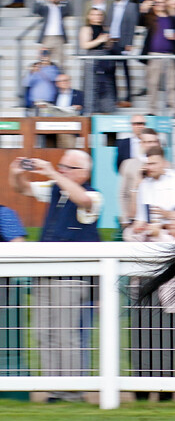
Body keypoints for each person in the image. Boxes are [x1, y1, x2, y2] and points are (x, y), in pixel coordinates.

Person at [9, 150, 102, 403]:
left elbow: (83, 200)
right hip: (46, 272)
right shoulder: (55, 188)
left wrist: (52, 172)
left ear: (83, 172)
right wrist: (16, 173)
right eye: (61, 166)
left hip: (72, 276)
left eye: (67, 167)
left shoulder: (94, 195)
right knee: (44, 333)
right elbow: (23, 189)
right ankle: (53, 388)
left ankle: (71, 392)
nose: (62, 170)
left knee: (66, 335)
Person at [129, 205, 175, 402]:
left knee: (163, 348)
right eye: (171, 219)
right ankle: (140, 393)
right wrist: (138, 229)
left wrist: (158, 235)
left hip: (170, 304)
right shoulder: (159, 237)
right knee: (140, 346)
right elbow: (130, 242)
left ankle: (164, 394)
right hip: (143, 297)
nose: (172, 224)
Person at [124, 146, 175, 241]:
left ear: (165, 163)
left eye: (153, 164)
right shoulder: (144, 185)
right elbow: (140, 218)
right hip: (150, 232)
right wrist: (139, 226)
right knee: (128, 233)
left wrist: (169, 215)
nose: (149, 167)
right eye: (148, 164)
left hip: (174, 233)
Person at [140, 0, 175, 118]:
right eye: (157, 2)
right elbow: (139, 22)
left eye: (162, 2)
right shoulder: (150, 17)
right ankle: (152, 110)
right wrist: (143, 9)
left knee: (172, 85)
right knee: (152, 84)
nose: (160, 5)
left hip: (170, 54)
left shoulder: (172, 18)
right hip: (154, 55)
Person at [119, 128, 161, 229]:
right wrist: (125, 219)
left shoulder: (165, 165)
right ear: (141, 143)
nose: (150, 145)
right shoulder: (128, 164)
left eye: (153, 142)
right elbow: (123, 194)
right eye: (147, 142)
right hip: (135, 219)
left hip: (158, 220)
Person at [107, 0, 140, 108]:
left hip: (123, 43)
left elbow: (132, 26)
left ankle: (128, 97)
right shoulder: (111, 6)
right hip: (112, 43)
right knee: (112, 71)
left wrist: (129, 43)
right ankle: (114, 97)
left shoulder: (131, 7)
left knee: (125, 70)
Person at [79, 8, 115, 114]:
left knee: (106, 87)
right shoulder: (86, 29)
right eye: (94, 14)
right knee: (91, 87)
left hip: (105, 60)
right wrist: (99, 40)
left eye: (99, 14)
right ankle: (90, 112)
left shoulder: (105, 28)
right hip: (92, 60)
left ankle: (107, 111)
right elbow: (84, 45)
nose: (97, 17)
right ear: (89, 16)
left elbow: (108, 46)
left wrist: (109, 41)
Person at [33, 0, 71, 70]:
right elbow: (35, 10)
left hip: (59, 38)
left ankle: (60, 79)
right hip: (46, 38)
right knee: (44, 60)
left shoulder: (61, 8)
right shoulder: (45, 8)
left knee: (61, 62)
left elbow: (69, 11)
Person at [23, 50, 60, 115]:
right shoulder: (34, 67)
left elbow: (52, 78)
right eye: (43, 56)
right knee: (32, 122)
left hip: (48, 103)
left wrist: (40, 71)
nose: (44, 58)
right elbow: (26, 83)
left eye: (46, 56)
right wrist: (32, 73)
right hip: (34, 103)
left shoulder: (53, 68)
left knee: (46, 122)